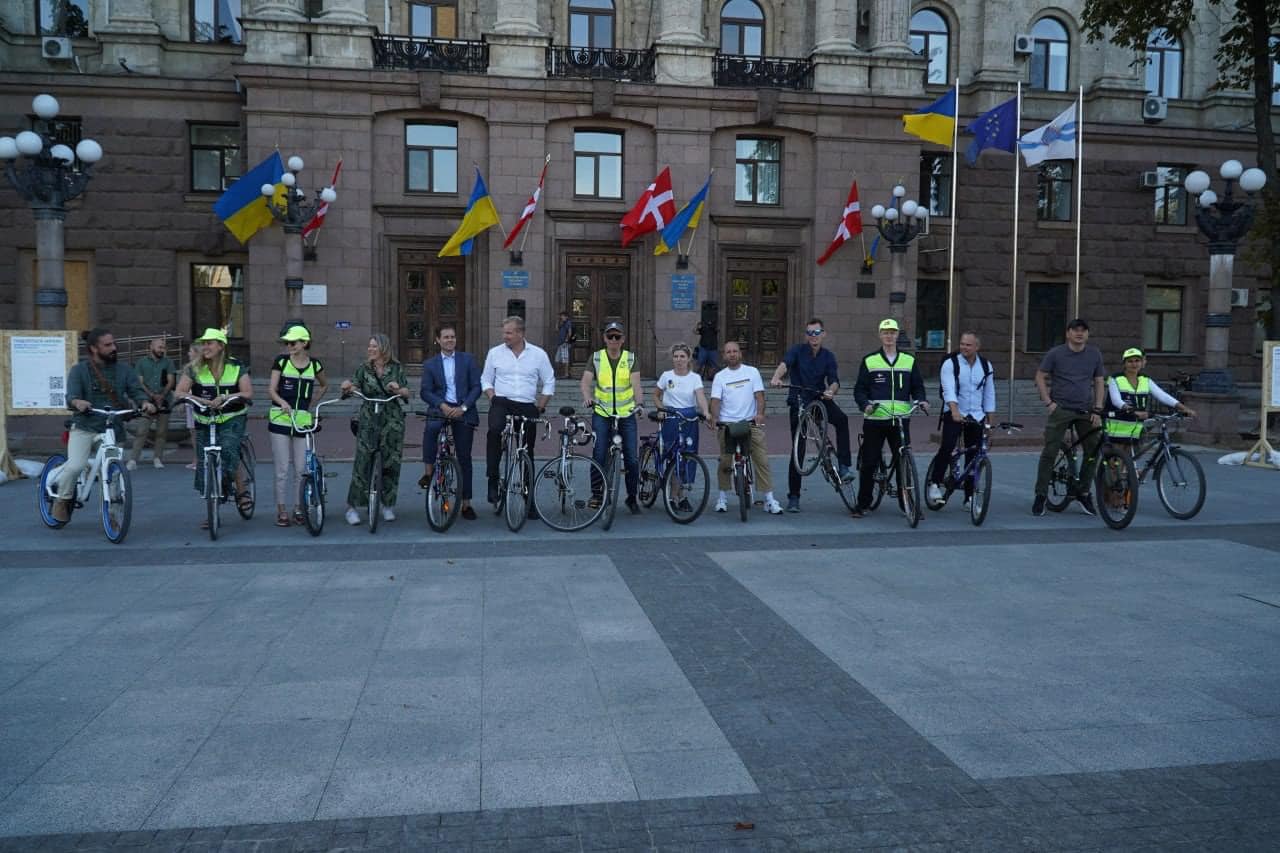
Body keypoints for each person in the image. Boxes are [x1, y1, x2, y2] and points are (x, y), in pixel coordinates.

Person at [52, 329, 157, 523]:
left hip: (112, 428)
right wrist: (77, 402)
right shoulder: (80, 370)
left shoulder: (124, 370)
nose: (114, 348)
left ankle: (112, 514)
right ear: (94, 348)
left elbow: (135, 390)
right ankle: (62, 499)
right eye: (107, 345)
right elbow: (71, 396)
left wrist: (144, 402)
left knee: (113, 473)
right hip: (84, 426)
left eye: (113, 344)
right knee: (76, 466)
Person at [769, 317, 854, 512]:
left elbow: (834, 380)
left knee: (842, 420)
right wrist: (776, 377)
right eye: (810, 333)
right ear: (806, 335)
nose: (813, 336)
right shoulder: (797, 351)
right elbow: (785, 364)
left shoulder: (828, 356)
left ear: (823, 334)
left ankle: (844, 465)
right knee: (798, 451)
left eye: (816, 333)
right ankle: (794, 497)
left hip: (820, 399)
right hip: (799, 400)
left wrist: (831, 391)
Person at [850, 318, 928, 519]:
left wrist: (921, 400)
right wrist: (865, 405)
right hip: (876, 419)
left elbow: (918, 386)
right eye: (885, 332)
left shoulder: (909, 360)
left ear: (897, 335)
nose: (889, 336)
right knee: (869, 462)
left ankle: (908, 505)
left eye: (892, 332)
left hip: (901, 420)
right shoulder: (870, 360)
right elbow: (860, 389)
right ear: (880, 335)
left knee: (904, 462)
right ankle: (862, 504)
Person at [175, 328, 253, 526]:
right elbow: (179, 392)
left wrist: (226, 397)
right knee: (204, 462)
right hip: (204, 418)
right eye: (203, 343)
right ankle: (213, 510)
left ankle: (241, 490)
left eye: (209, 343)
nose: (205, 347)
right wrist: (201, 399)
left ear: (221, 346)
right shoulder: (193, 368)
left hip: (232, 417)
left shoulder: (236, 366)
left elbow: (247, 393)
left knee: (228, 449)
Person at [1032, 318, 1106, 517]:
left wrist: (1098, 408)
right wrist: (1048, 402)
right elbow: (1040, 376)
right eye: (1075, 330)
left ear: (1087, 334)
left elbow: (1099, 381)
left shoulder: (1094, 354)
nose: (1079, 334)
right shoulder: (1056, 353)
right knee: (1050, 451)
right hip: (1061, 409)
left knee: (1093, 449)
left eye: (1083, 330)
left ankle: (1083, 491)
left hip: (1086, 410)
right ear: (1068, 333)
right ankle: (1040, 495)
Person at [481, 315, 555, 505]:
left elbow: (549, 381)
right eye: (504, 332)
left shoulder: (538, 354)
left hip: (527, 404)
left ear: (521, 333)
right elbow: (486, 379)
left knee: (527, 450)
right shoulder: (495, 353)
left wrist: (541, 405)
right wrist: (492, 396)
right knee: (495, 432)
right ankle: (493, 479)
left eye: (509, 333)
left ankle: (528, 498)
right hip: (502, 401)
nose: (505, 336)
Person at [340, 334, 411, 525]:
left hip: (392, 420)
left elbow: (406, 392)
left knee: (391, 462)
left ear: (383, 349)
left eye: (374, 346)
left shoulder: (396, 368)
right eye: (369, 346)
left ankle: (388, 505)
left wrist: (397, 389)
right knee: (362, 462)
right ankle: (353, 508)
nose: (370, 349)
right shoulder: (364, 369)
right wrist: (347, 387)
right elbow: (353, 386)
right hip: (369, 418)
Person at [709, 340, 783, 515]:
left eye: (735, 351)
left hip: (750, 423)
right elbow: (715, 401)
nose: (732, 354)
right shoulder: (720, 376)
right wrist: (715, 417)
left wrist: (760, 414)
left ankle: (769, 499)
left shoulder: (752, 372)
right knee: (725, 461)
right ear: (724, 356)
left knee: (762, 459)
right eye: (729, 352)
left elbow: (760, 396)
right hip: (727, 424)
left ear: (740, 354)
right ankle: (722, 498)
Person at [580, 321, 645, 513]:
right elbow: (585, 382)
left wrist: (640, 404)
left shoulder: (631, 358)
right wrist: (588, 398)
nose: (614, 340)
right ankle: (597, 495)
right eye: (610, 337)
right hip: (602, 412)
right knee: (599, 453)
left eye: (617, 337)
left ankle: (632, 497)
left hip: (626, 413)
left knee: (632, 458)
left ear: (623, 339)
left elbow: (636, 386)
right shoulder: (597, 358)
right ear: (605, 339)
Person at [927, 331, 996, 508]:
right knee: (948, 445)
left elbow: (989, 393)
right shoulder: (951, 364)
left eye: (968, 345)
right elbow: (948, 389)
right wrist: (955, 411)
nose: (964, 347)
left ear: (977, 347)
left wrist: (990, 421)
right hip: (954, 411)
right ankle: (935, 483)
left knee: (974, 455)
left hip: (977, 415)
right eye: (962, 344)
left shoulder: (986, 366)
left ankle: (969, 497)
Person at [267, 325, 328, 527]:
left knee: (302, 468)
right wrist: (282, 402)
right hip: (280, 419)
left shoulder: (315, 365)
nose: (289, 346)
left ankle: (298, 508)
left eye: (293, 342)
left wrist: (312, 403)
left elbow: (324, 385)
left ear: (304, 343)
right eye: (287, 343)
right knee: (282, 468)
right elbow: (271, 390)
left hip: (302, 420)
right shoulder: (281, 362)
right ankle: (281, 510)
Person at [419, 324, 482, 520]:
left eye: (453, 337)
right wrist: (442, 405)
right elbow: (425, 391)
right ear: (437, 340)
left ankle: (466, 503)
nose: (450, 340)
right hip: (441, 408)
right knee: (432, 428)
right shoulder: (430, 364)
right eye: (446, 337)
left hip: (463, 411)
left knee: (464, 457)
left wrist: (463, 407)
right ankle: (429, 473)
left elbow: (476, 387)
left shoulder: (468, 360)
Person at [653, 343, 711, 510]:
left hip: (689, 419)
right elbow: (656, 395)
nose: (679, 360)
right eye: (676, 356)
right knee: (673, 456)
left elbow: (700, 397)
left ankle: (682, 495)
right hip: (671, 417)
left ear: (688, 359)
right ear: (673, 358)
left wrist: (706, 412)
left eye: (682, 357)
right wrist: (661, 409)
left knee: (687, 455)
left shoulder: (695, 378)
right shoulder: (666, 376)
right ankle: (673, 496)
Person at [1106, 347, 1197, 452]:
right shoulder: (1115, 378)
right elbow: (1116, 401)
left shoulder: (1145, 379)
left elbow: (1162, 395)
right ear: (1124, 363)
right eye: (1130, 361)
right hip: (1117, 424)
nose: (1134, 364)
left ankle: (1128, 469)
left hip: (1136, 425)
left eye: (1137, 361)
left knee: (1130, 459)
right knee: (1116, 462)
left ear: (1141, 362)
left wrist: (1184, 408)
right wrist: (1133, 410)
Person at [129, 337, 176, 470]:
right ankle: (133, 459)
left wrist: (162, 395)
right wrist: (151, 395)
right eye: (160, 347)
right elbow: (140, 381)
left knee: (161, 432)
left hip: (165, 399)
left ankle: (157, 458)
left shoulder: (168, 362)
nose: (162, 350)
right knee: (142, 430)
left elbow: (171, 380)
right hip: (146, 400)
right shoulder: (141, 362)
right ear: (151, 347)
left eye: (164, 347)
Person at [182, 342, 200, 470]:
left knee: (199, 433)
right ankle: (196, 459)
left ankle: (200, 459)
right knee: (193, 433)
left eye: (190, 351)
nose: (188, 353)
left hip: (199, 403)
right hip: (190, 404)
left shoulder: (203, 368)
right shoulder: (188, 367)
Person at [554, 310, 574, 379]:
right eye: (560, 316)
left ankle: (566, 374)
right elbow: (556, 330)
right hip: (560, 344)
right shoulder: (562, 323)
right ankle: (559, 374)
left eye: (562, 316)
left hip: (564, 344)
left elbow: (570, 332)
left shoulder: (568, 323)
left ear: (566, 316)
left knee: (565, 359)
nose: (561, 317)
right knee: (557, 359)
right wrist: (557, 321)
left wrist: (566, 341)